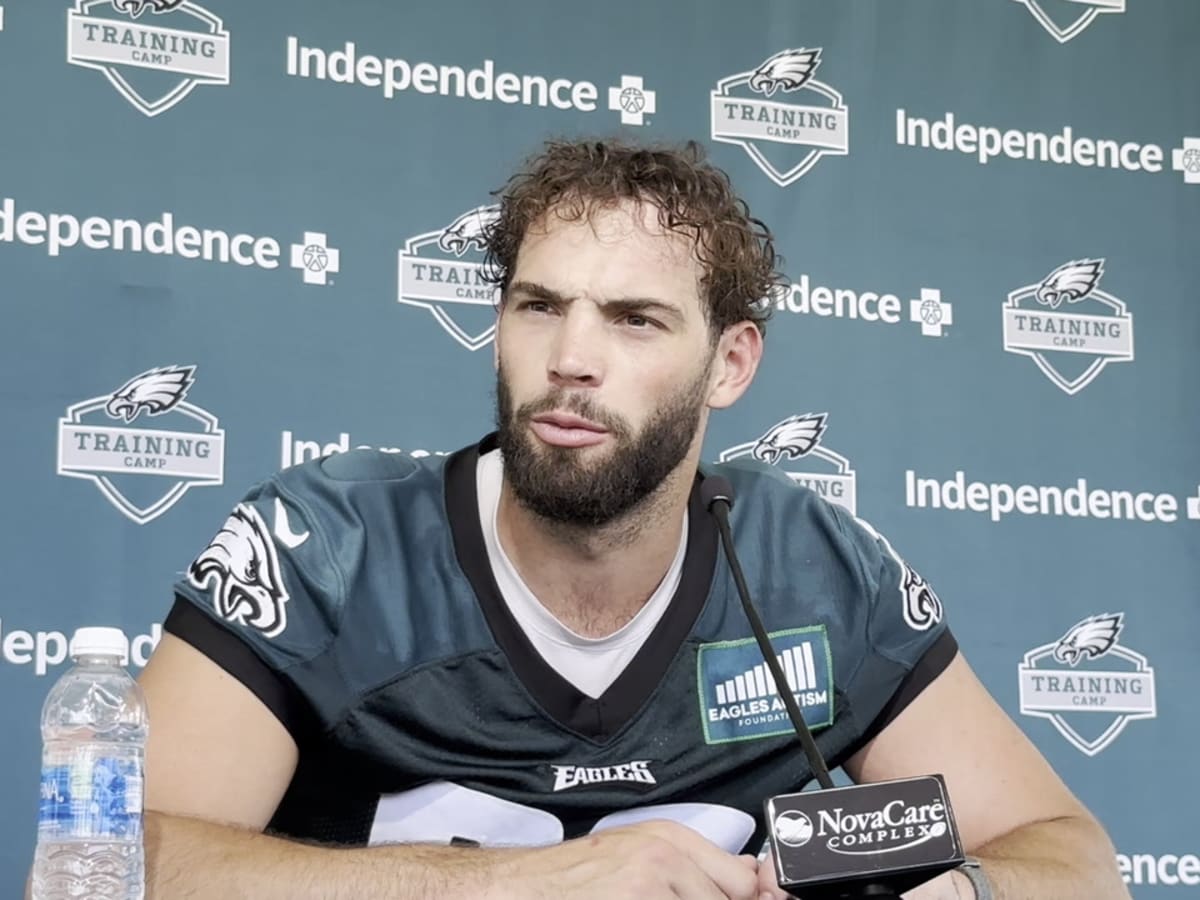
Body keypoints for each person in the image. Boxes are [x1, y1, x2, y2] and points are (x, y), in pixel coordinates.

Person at [127, 139, 1124, 899]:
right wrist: (521, 884)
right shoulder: (330, 546)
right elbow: (109, 862)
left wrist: (959, 892)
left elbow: (1069, 856)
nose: (571, 357)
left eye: (634, 320)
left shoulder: (809, 567)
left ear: (730, 363)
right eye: (537, 306)